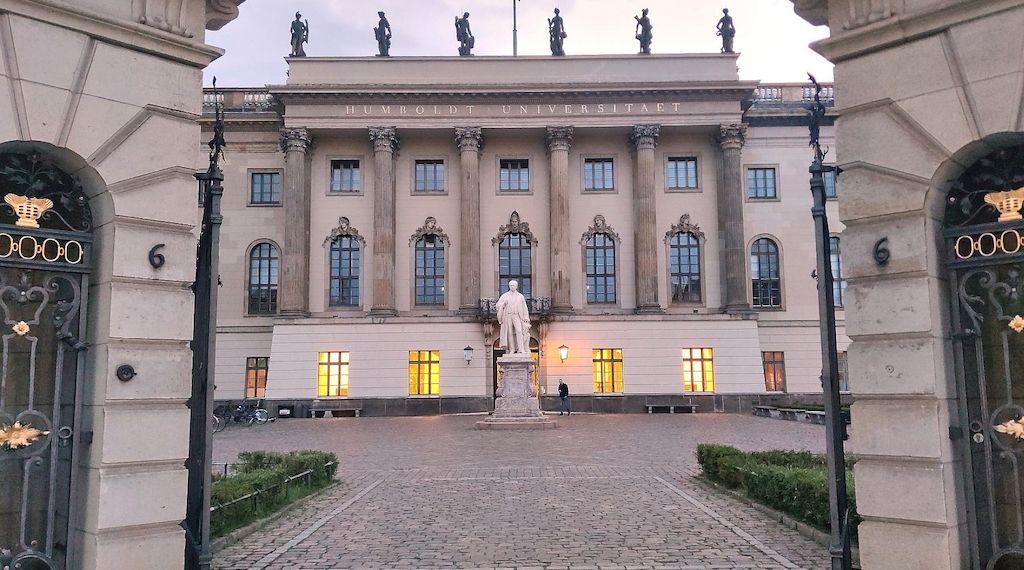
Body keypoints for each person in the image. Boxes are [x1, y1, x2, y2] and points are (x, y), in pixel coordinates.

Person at [495, 280, 530, 355]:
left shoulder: (520, 296)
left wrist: (526, 318)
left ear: (516, 286)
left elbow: (524, 308)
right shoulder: (505, 295)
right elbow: (497, 305)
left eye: (513, 285)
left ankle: (521, 349)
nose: (512, 287)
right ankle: (512, 349)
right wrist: (503, 304)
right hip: (508, 315)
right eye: (510, 285)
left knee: (519, 331)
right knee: (509, 333)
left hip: (517, 315)